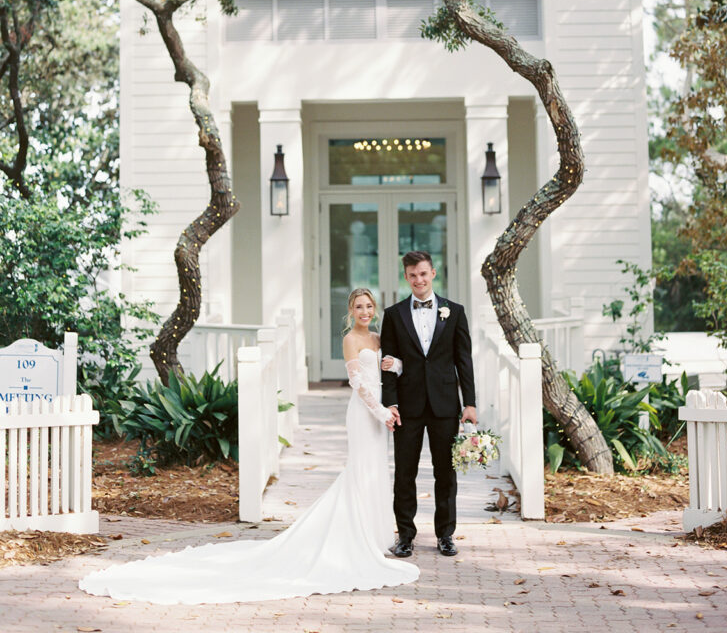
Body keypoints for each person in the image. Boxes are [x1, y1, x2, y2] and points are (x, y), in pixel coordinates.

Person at [78, 289, 418, 604]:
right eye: (359, 306)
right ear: (350, 311)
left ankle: (376, 535)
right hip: (364, 413)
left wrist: (395, 367)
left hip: (382, 415)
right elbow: (358, 382)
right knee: (359, 470)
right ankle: (357, 537)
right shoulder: (349, 340)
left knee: (376, 471)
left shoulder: (376, 337)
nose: (365, 311)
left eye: (369, 306)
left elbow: (393, 368)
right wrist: (379, 411)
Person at [380, 249, 477, 559]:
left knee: (445, 473)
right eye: (412, 275)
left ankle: (446, 534)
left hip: (445, 404)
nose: (418, 280)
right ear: (406, 278)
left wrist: (470, 403)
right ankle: (405, 536)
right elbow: (389, 364)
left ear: (433, 273)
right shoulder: (394, 315)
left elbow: (464, 360)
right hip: (407, 405)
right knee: (404, 473)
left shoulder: (455, 311)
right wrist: (390, 403)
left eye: (423, 273)